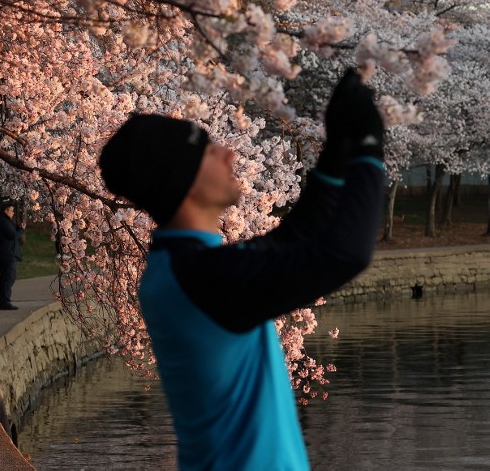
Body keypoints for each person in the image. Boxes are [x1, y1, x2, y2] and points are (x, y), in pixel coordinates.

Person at [97, 69, 386, 470]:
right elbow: (345, 254)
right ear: (185, 182)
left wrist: (338, 149)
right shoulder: (202, 278)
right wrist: (371, 149)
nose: (230, 154)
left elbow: (290, 238)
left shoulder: (182, 266)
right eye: (211, 151)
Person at [0, 202, 24, 310]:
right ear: (5, 210)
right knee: (8, 278)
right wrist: (21, 230)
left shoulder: (5, 221)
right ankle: (5, 302)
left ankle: (4, 301)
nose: (13, 213)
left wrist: (18, 228)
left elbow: (12, 233)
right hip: (8, 254)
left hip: (6, 253)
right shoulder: (3, 222)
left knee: (7, 278)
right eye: (11, 210)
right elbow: (13, 235)